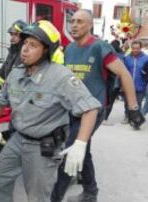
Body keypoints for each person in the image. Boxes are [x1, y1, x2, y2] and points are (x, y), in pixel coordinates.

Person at [0, 20, 101, 202]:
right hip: (18, 139)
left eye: (33, 45)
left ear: (46, 50)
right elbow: (1, 101)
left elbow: (90, 108)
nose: (25, 49)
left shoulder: (60, 76)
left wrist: (80, 144)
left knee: (37, 197)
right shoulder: (16, 73)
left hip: (42, 147)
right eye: (25, 43)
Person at [51, 10, 145, 202]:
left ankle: (54, 198)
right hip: (73, 108)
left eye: (80, 22)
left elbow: (125, 75)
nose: (74, 25)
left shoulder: (99, 47)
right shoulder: (68, 49)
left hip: (93, 109)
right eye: (72, 21)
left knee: (71, 151)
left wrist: (133, 108)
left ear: (89, 25)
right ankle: (90, 192)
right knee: (82, 150)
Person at [0, 19, 27, 165]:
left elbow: (16, 80)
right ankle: (1, 158)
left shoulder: (24, 55)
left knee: (11, 133)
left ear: (23, 36)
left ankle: (0, 160)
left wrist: (2, 94)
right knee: (8, 133)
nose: (12, 37)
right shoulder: (13, 52)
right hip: (9, 100)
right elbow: (1, 73)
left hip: (18, 101)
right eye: (11, 34)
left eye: (15, 34)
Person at [121, 40, 148, 127]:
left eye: (137, 48)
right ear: (131, 48)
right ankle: (127, 116)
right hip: (127, 85)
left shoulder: (146, 58)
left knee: (138, 103)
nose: (135, 50)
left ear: (140, 48)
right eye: (133, 48)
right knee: (127, 102)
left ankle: (136, 119)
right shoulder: (126, 58)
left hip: (141, 85)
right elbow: (122, 71)